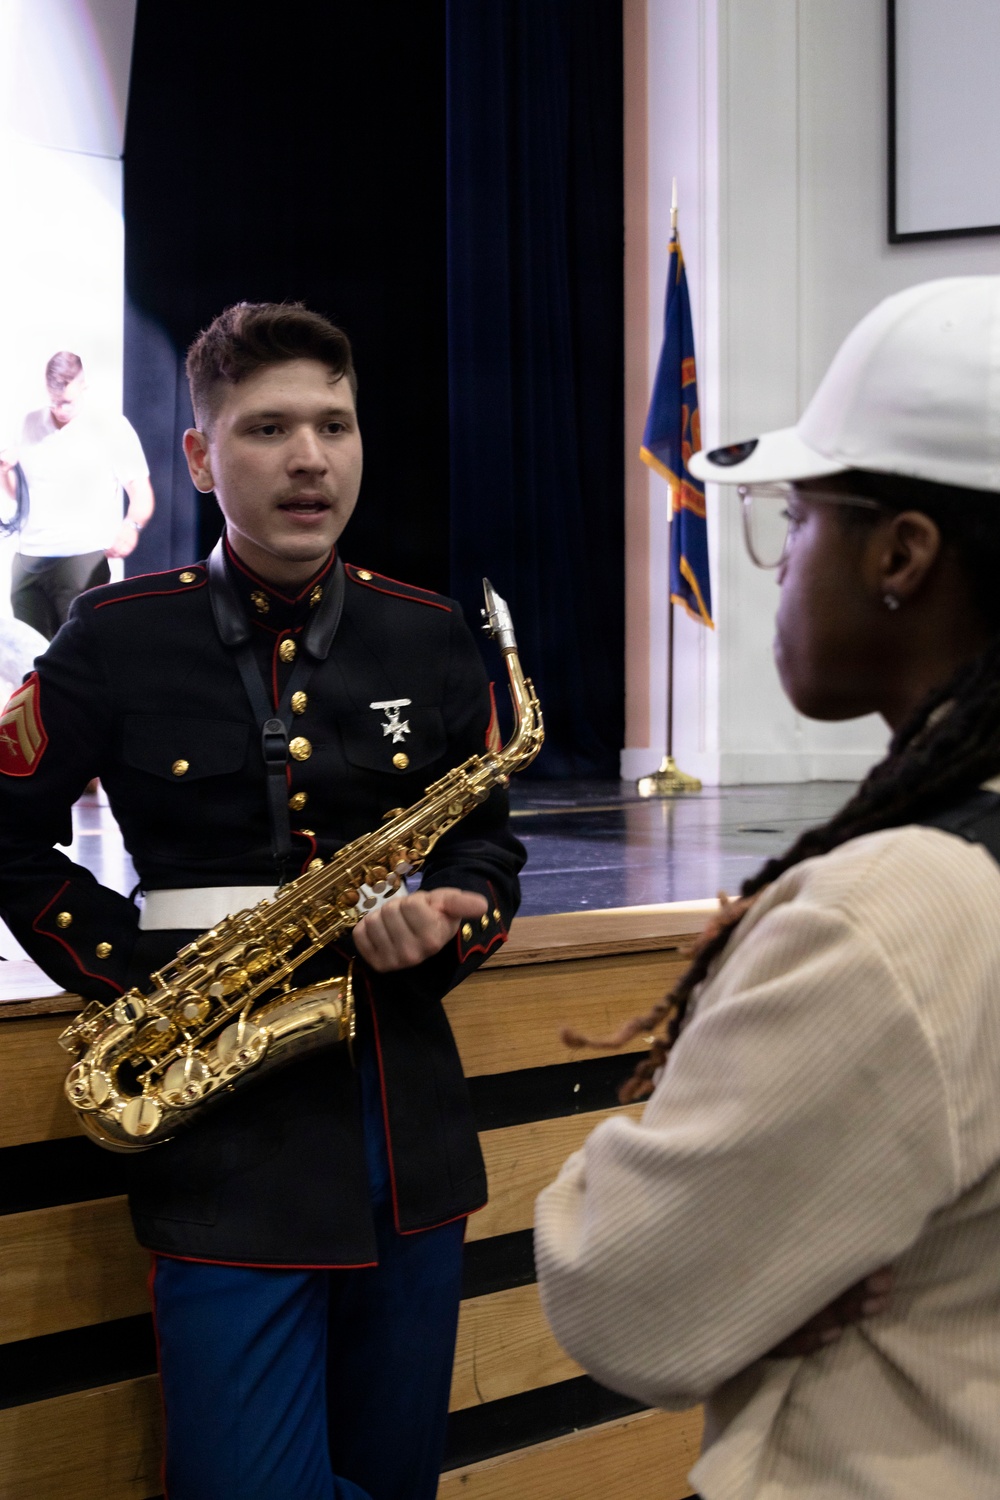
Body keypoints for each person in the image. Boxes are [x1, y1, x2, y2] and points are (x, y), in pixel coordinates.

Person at [0, 302, 525, 1500]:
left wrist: (454, 914)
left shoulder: (431, 636)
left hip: (407, 1141)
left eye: (334, 425)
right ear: (197, 456)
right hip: (222, 1146)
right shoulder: (117, 638)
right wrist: (136, 971)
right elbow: (6, 829)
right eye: (268, 427)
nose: (309, 458)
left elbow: (488, 847)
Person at [535, 276, 1000, 1498]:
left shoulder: (900, 911)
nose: (782, 560)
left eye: (795, 519)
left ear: (900, 553)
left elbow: (628, 1289)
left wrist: (722, 1246)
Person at [0, 351, 155, 639]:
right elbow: (19, 496)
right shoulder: (29, 422)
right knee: (27, 656)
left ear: (84, 387)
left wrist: (131, 527)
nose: (59, 409)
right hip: (29, 556)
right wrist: (5, 471)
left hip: (81, 556)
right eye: (53, 401)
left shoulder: (111, 427)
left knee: (80, 652)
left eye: (67, 402)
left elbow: (141, 493)